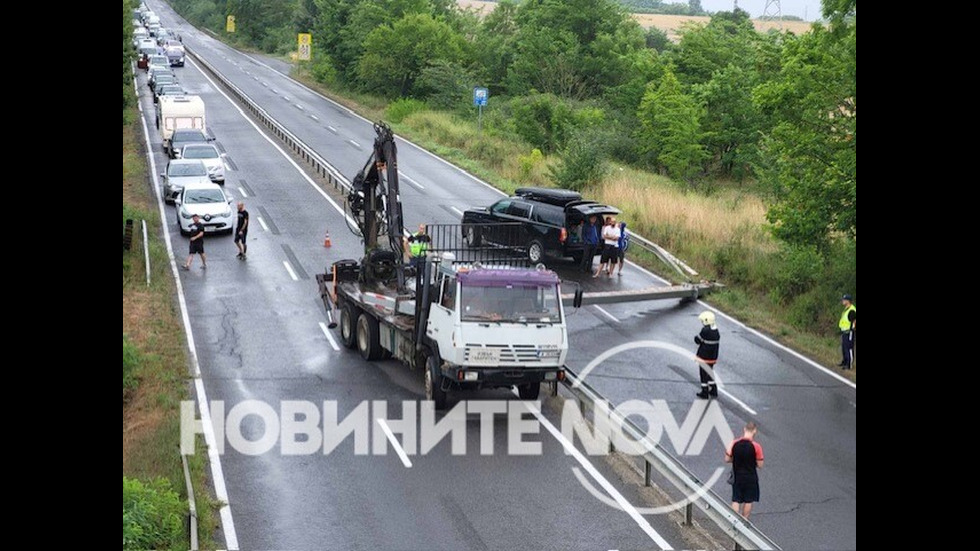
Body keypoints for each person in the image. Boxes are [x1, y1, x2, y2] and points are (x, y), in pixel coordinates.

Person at [725, 421, 764, 519]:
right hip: (750, 476)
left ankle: (733, 520)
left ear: (744, 429)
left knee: (736, 499)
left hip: (737, 476)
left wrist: (736, 460)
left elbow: (727, 459)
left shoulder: (734, 443)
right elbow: (760, 464)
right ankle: (744, 520)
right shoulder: (756, 446)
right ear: (754, 431)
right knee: (748, 500)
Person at [695, 310, 720, 399]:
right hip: (712, 357)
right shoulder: (716, 331)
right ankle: (713, 389)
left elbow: (698, 340)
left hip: (704, 357)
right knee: (710, 372)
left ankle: (704, 392)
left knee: (703, 374)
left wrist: (696, 338)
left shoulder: (705, 330)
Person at [838, 294, 857, 369]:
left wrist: (853, 329)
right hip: (844, 331)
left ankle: (849, 364)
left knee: (849, 347)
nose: (842, 301)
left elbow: (854, 321)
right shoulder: (846, 309)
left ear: (848, 301)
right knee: (844, 347)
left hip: (849, 331)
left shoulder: (852, 310)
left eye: (844, 300)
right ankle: (845, 361)